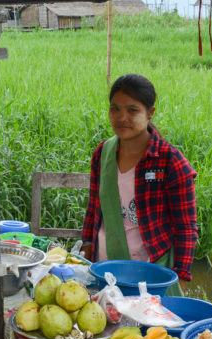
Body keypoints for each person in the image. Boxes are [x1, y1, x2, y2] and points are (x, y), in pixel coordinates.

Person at [81, 74, 198, 295]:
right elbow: (94, 207)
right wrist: (86, 250)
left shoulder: (170, 162)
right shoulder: (102, 154)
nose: (121, 117)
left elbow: (186, 228)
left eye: (132, 110)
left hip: (152, 274)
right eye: (115, 108)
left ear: (150, 112)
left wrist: (180, 279)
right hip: (105, 270)